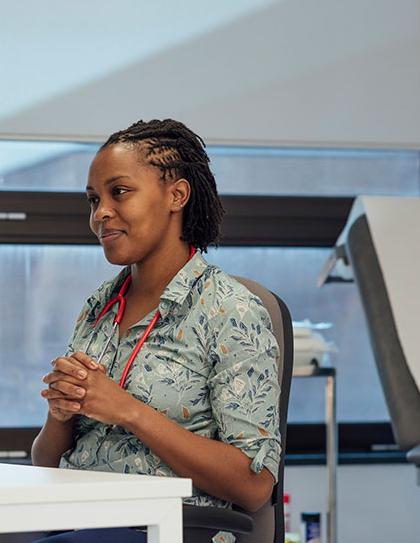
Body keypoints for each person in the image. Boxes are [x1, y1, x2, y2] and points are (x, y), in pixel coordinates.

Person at [30, 119, 281, 543]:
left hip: (166, 531)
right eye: (93, 199)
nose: (100, 213)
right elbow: (46, 462)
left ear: (176, 195)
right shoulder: (99, 307)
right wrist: (60, 414)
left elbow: (254, 485)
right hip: (75, 521)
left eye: (119, 192)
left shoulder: (230, 311)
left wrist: (128, 410)